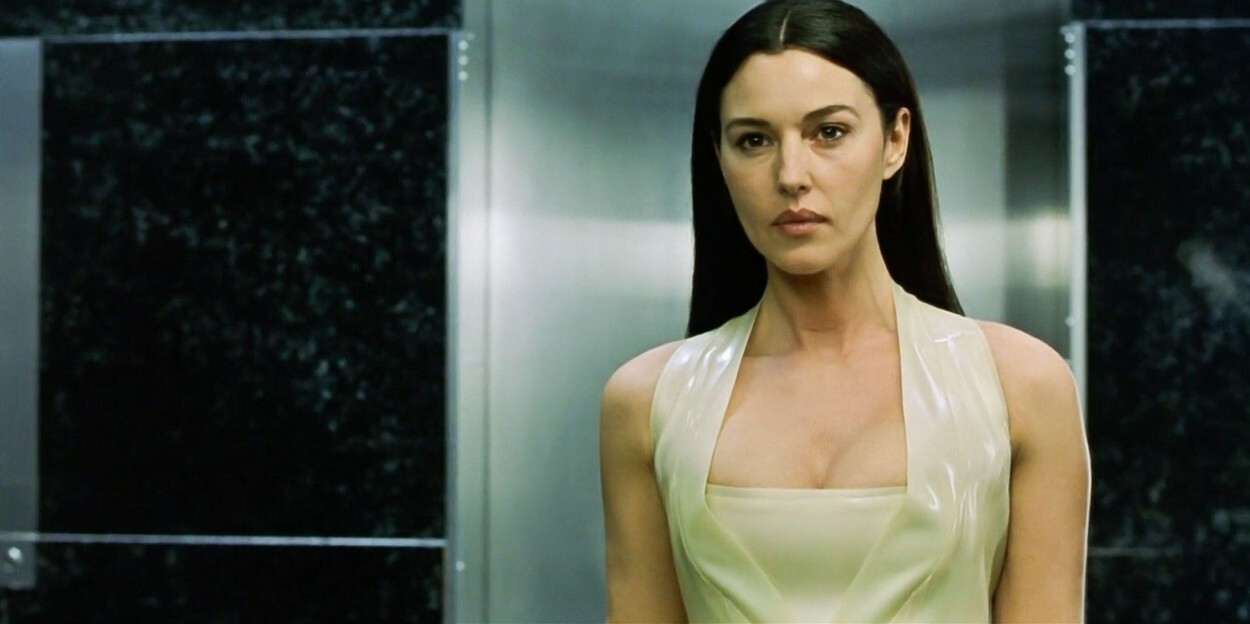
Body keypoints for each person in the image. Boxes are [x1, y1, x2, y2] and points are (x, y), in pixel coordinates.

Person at [599, 0, 1090, 622]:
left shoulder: (1019, 385)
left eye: (828, 132)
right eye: (753, 140)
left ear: (895, 140)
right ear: (719, 159)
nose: (791, 175)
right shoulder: (648, 402)